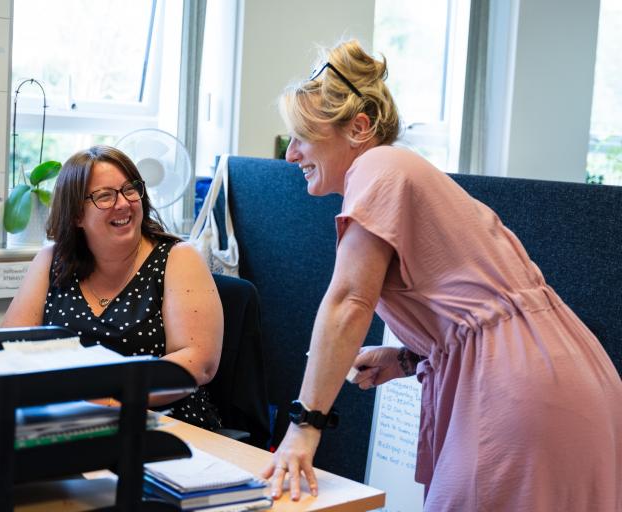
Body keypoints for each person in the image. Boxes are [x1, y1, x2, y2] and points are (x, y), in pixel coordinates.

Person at [262, 39, 622, 511]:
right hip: (563, 374)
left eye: (302, 137)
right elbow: (475, 304)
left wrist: (303, 427)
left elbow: (349, 302)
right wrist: (407, 359)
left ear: (359, 128)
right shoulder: (405, 173)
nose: (291, 154)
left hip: (520, 388)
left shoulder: (378, 166)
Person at [2, 145, 224, 430]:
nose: (123, 204)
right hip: (68, 419)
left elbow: (199, 361)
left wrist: (108, 400)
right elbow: (11, 348)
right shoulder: (51, 261)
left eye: (130, 190)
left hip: (163, 422)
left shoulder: (179, 258)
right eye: (105, 196)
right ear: (76, 215)